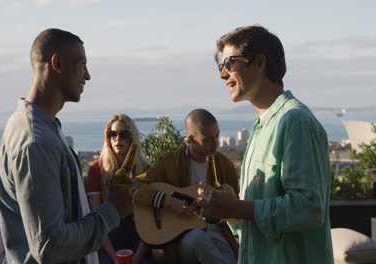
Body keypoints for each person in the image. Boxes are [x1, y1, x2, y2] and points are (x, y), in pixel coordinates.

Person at [197, 25, 334, 264]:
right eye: (221, 66)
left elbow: (308, 209)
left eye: (229, 63)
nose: (222, 74)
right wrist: (231, 210)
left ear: (260, 63)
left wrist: (237, 207)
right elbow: (260, 222)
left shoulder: (295, 121)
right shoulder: (262, 126)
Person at [0, 28, 132, 264]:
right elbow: (50, 246)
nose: (87, 76)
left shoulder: (45, 128)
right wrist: (113, 210)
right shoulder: (35, 143)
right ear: (57, 63)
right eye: (82, 65)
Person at [134, 109, 239, 264]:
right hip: (182, 242)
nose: (216, 143)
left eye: (217, 135)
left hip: (221, 238)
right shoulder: (171, 161)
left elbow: (236, 211)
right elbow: (137, 187)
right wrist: (168, 201)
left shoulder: (225, 166)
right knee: (198, 238)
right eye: (209, 139)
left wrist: (227, 208)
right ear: (192, 139)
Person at [86, 114, 151, 264]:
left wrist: (137, 257)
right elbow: (96, 219)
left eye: (124, 134)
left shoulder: (146, 170)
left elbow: (150, 220)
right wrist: (115, 258)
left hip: (139, 237)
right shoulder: (96, 169)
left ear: (132, 138)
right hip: (106, 239)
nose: (117, 138)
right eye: (112, 134)